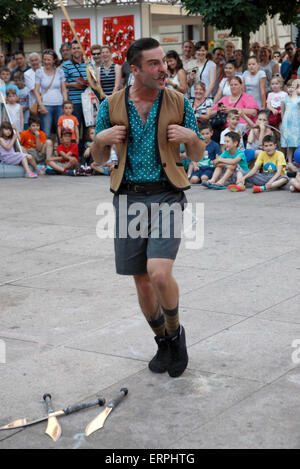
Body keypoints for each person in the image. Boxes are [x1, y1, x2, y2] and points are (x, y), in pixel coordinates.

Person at [91, 37, 205, 378]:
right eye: (154, 64)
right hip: (127, 196)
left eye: (164, 62)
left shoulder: (178, 101)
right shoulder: (110, 106)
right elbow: (98, 159)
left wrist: (190, 138)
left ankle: (176, 333)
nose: (163, 68)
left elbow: (197, 154)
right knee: (141, 281)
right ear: (135, 69)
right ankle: (161, 341)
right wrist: (101, 140)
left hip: (166, 193)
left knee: (158, 271)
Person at [63, 40, 90, 160]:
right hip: (75, 101)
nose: (76, 50)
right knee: (76, 129)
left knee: (88, 129)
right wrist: (74, 84)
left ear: (82, 49)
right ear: (71, 50)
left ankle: (86, 155)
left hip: (88, 100)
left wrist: (90, 82)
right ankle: (76, 155)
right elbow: (63, 83)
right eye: (74, 48)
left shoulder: (88, 63)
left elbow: (94, 78)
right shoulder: (66, 65)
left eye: (78, 48)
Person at [34, 49, 67, 139]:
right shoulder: (39, 72)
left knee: (61, 131)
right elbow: (36, 90)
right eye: (44, 59)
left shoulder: (60, 72)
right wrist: (41, 105)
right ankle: (46, 152)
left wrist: (66, 103)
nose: (46, 62)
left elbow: (63, 89)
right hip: (46, 105)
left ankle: (62, 151)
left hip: (59, 104)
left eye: (49, 59)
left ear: (54, 60)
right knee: (46, 132)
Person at [281, 79, 300, 169]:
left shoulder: (298, 99)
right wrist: (283, 124)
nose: (291, 89)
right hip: (287, 125)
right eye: (289, 87)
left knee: (297, 142)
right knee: (289, 144)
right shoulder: (284, 99)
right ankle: (289, 161)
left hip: (296, 124)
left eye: (293, 87)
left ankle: (297, 161)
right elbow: (282, 112)